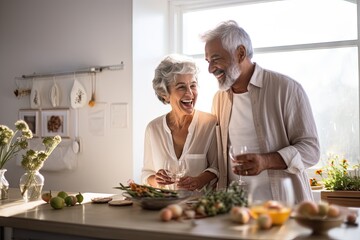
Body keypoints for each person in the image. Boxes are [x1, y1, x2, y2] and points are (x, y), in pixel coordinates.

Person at [200, 20, 320, 203]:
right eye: (208, 61)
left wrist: (266, 161)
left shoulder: (286, 88)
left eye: (216, 59)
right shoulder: (219, 99)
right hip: (236, 212)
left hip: (283, 209)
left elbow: (311, 150)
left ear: (240, 53)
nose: (210, 69)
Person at [141, 54, 219, 191]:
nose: (190, 93)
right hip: (163, 208)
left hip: (199, 209)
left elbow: (216, 168)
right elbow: (147, 174)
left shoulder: (210, 123)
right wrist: (157, 180)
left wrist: (199, 180)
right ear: (164, 94)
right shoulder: (153, 128)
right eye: (181, 87)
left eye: (193, 85)